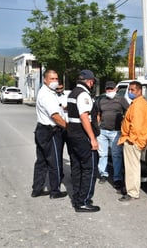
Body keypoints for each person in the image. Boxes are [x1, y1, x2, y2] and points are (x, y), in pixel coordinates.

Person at [66, 69, 100, 212]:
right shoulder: (83, 94)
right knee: (89, 168)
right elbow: (84, 116)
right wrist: (92, 138)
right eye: (92, 82)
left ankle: (77, 197)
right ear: (89, 81)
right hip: (82, 136)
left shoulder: (73, 92)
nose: (92, 84)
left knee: (77, 167)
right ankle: (83, 201)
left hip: (72, 134)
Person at [31, 69, 67, 199]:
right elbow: (55, 116)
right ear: (45, 80)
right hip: (50, 132)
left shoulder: (47, 92)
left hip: (41, 130)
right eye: (52, 79)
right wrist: (68, 127)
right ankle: (55, 191)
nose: (55, 81)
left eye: (56, 79)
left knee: (41, 161)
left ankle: (37, 189)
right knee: (55, 162)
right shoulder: (47, 95)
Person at [117, 81, 147, 202]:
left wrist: (131, 139)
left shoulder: (138, 105)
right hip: (134, 139)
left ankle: (132, 192)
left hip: (133, 140)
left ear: (139, 91)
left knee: (132, 168)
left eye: (133, 90)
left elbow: (136, 125)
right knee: (133, 167)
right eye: (129, 90)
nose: (130, 92)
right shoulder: (138, 103)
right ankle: (131, 189)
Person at [97, 81, 129, 193]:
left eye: (111, 89)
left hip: (116, 132)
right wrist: (97, 127)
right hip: (103, 131)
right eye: (107, 89)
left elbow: (128, 112)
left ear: (115, 89)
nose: (109, 91)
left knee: (116, 155)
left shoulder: (121, 100)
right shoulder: (101, 100)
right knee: (102, 154)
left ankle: (117, 179)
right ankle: (103, 174)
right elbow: (98, 114)